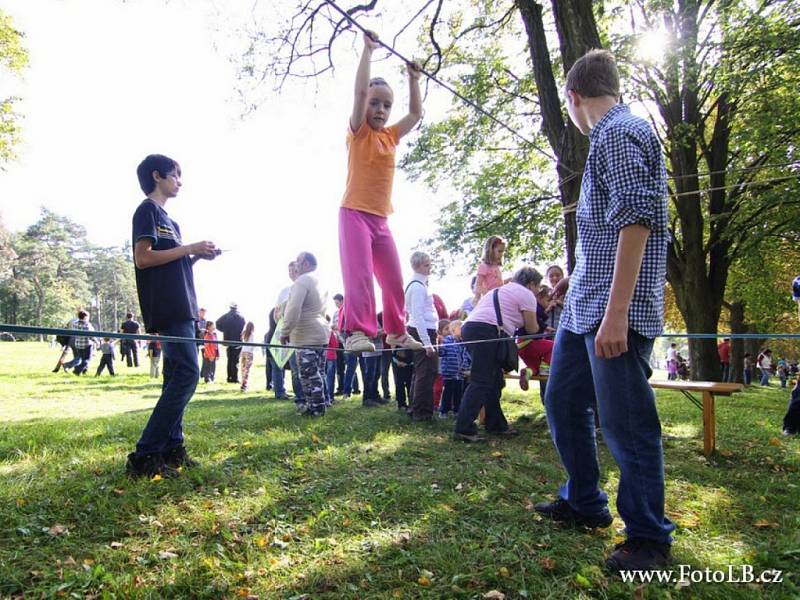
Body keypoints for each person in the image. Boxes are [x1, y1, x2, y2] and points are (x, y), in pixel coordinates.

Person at [535, 50, 675, 573]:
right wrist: (578, 279)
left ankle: (648, 538)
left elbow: (637, 219)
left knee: (626, 421)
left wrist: (617, 315)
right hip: (583, 304)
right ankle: (584, 501)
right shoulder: (610, 139)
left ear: (572, 98)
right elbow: (610, 230)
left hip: (613, 310)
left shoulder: (618, 132)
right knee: (565, 399)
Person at [126, 153, 218, 479]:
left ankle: (172, 448)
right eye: (175, 175)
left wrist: (195, 256)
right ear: (157, 176)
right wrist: (189, 247)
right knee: (187, 374)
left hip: (184, 305)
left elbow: (172, 261)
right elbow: (143, 258)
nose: (180, 181)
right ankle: (145, 454)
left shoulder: (171, 222)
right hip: (167, 307)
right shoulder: (147, 210)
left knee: (174, 376)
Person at [337, 30, 424, 355]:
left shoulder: (389, 136)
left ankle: (397, 332)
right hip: (354, 214)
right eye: (375, 103)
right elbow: (359, 93)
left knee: (392, 279)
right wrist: (368, 51)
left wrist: (413, 79)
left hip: (381, 220)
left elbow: (415, 115)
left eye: (386, 105)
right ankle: (358, 332)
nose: (380, 110)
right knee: (359, 277)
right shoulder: (359, 133)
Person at [453, 267, 542, 442]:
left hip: (472, 328)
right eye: (538, 286)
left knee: (493, 380)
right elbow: (532, 329)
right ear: (531, 284)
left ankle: (495, 424)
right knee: (482, 379)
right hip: (488, 330)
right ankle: (464, 428)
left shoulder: (500, 289)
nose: (538, 291)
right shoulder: (526, 294)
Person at [281, 251, 330, 417]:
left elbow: (294, 309)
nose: (296, 264)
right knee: (318, 372)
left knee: (308, 374)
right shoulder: (320, 281)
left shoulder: (302, 281)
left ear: (307, 264)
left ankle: (316, 408)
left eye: (299, 261)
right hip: (321, 334)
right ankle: (318, 404)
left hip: (306, 335)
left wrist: (285, 331)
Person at [405, 251, 439, 421]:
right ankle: (422, 412)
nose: (429, 268)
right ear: (417, 266)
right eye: (426, 265)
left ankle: (415, 408)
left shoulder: (419, 284)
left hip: (423, 330)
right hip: (422, 331)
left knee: (421, 372)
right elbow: (418, 316)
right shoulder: (417, 286)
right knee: (426, 372)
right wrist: (427, 343)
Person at [438, 320, 467, 418]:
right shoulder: (447, 341)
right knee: (447, 392)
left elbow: (466, 356)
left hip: (460, 374)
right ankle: (443, 411)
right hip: (449, 372)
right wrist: (440, 345)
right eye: (461, 328)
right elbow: (441, 353)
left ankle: (457, 410)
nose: (464, 330)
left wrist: (466, 367)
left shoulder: (464, 342)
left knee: (459, 393)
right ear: (453, 330)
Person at [216, 302, 246, 384]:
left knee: (229, 360)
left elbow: (217, 323)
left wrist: (225, 331)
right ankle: (234, 378)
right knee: (235, 360)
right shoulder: (241, 317)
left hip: (228, 341)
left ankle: (229, 377)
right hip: (237, 341)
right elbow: (243, 327)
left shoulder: (225, 316)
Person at [474, 235, 507, 300]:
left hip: (500, 298)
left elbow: (496, 285)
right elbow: (477, 287)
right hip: (490, 300)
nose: (501, 254)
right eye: (499, 251)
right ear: (490, 250)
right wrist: (491, 294)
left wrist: (508, 281)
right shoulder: (484, 266)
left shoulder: (497, 267)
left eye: (503, 251)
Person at [71, 310, 96, 375]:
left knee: (83, 359)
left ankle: (84, 371)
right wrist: (96, 341)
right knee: (87, 359)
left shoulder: (74, 323)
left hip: (78, 344)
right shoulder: (87, 325)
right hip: (87, 344)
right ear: (85, 317)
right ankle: (77, 370)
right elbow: (91, 335)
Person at [545, 265, 565, 332]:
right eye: (551, 276)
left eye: (558, 275)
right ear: (547, 278)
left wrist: (560, 303)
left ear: (563, 277)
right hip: (548, 332)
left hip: (565, 331)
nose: (555, 278)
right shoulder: (543, 295)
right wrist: (548, 308)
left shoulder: (569, 293)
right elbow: (538, 316)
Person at [239, 321, 257, 392]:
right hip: (249, 353)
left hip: (243, 352)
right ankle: (245, 384)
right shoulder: (252, 335)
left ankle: (242, 383)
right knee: (247, 369)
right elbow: (252, 345)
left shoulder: (244, 334)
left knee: (243, 368)